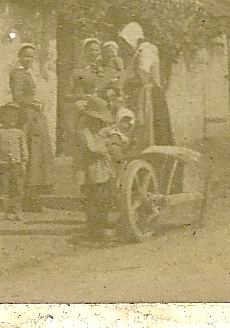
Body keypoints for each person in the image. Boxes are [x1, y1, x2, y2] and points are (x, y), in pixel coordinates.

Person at [9, 42, 56, 211]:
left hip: (36, 117)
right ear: (19, 57)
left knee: (39, 158)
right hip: (27, 118)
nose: (29, 59)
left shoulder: (30, 73)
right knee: (30, 157)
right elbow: (17, 97)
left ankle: (34, 201)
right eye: (26, 56)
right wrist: (34, 103)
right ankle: (26, 201)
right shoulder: (17, 74)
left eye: (31, 57)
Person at [118, 22, 174, 147]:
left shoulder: (146, 50)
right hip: (146, 92)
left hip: (150, 94)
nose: (125, 46)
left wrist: (131, 82)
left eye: (126, 42)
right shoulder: (139, 51)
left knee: (153, 127)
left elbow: (144, 72)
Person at [75, 95, 116, 245]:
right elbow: (92, 148)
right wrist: (107, 145)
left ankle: (101, 227)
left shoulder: (100, 129)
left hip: (102, 167)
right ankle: (95, 231)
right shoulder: (84, 130)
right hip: (91, 167)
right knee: (94, 200)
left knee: (104, 199)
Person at [0, 102, 28, 221]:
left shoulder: (20, 133)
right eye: (8, 116)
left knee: (17, 188)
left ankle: (17, 211)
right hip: (3, 164)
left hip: (17, 164)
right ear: (3, 118)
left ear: (17, 119)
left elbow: (23, 149)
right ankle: (2, 211)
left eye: (14, 117)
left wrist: (24, 162)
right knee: (3, 187)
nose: (11, 119)